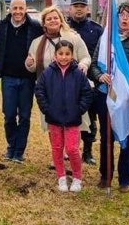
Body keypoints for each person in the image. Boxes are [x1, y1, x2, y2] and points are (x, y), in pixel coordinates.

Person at [88, 0, 129, 193]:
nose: (124, 18)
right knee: (106, 137)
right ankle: (106, 175)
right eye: (121, 14)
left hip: (124, 98)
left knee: (126, 137)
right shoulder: (106, 39)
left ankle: (125, 178)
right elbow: (94, 65)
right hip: (104, 96)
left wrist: (122, 89)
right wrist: (99, 76)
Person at [34, 40, 93, 192]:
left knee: (72, 148)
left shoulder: (78, 73)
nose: (64, 57)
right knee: (57, 147)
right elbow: (39, 90)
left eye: (67, 54)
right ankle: (61, 176)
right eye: (61, 54)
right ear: (55, 55)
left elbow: (87, 93)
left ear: (72, 56)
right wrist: (47, 109)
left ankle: (77, 178)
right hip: (54, 118)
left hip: (72, 119)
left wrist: (79, 109)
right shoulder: (48, 72)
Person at [0, 0, 43, 163]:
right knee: (8, 115)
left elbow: (53, 32)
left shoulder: (35, 27)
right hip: (8, 78)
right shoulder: (2, 26)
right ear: (9, 9)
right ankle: (11, 147)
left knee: (24, 116)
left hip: (27, 79)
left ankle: (19, 151)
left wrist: (69, 32)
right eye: (14, 8)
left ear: (26, 9)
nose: (18, 12)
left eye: (21, 9)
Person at [67, 0, 104, 165]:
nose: (79, 8)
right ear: (70, 8)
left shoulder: (96, 30)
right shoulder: (64, 27)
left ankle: (88, 151)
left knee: (90, 116)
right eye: (76, 6)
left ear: (87, 9)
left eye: (82, 5)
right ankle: (68, 149)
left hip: (89, 80)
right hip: (66, 80)